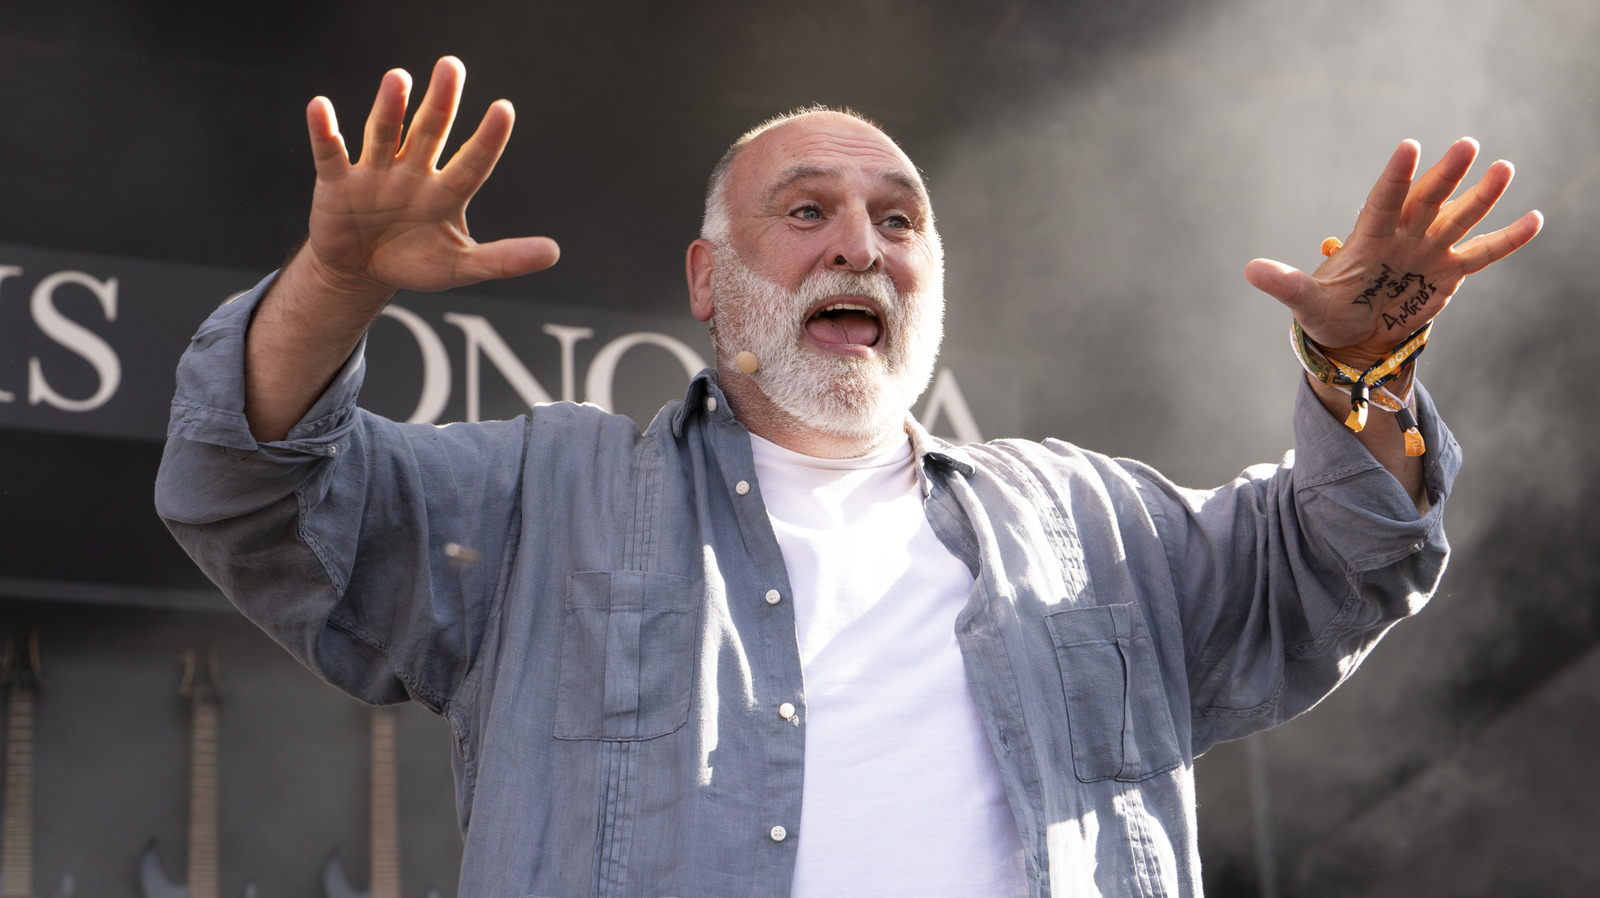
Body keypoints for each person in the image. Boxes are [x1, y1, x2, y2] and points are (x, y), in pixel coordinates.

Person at [155, 56, 1540, 897]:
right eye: (806, 209)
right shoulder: (542, 503)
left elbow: (1343, 560)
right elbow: (253, 491)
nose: (860, 246)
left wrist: (1362, 368)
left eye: (897, 219)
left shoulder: (1094, 527)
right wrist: (334, 279)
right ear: (709, 280)